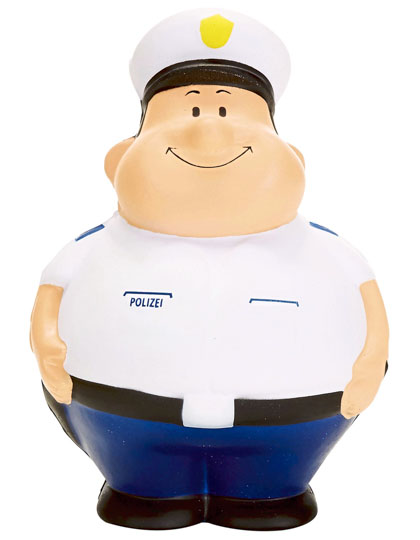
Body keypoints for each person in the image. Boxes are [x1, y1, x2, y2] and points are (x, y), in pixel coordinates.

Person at [30, 9, 389, 531]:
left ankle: (267, 496)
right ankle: (147, 493)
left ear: (295, 160)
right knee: (146, 480)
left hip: (292, 423)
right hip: (125, 419)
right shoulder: (90, 250)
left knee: (268, 481)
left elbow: (369, 311)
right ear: (118, 160)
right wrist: (49, 348)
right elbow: (51, 301)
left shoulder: (332, 253)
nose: (209, 131)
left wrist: (369, 365)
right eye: (191, 110)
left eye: (226, 110)